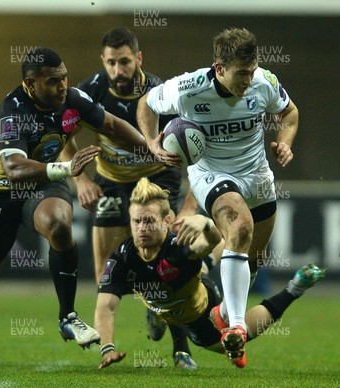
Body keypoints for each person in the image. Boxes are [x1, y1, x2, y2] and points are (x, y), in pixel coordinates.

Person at [0, 47, 147, 372]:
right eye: (53, 81)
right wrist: (66, 170)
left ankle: (68, 316)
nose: (63, 85)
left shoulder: (72, 100)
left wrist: (149, 147)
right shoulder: (12, 110)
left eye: (64, 77)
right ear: (31, 84)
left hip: (42, 186)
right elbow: (14, 169)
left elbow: (111, 125)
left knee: (60, 224)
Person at [136, 27, 299, 365]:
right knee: (239, 227)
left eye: (251, 71)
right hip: (212, 175)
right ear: (220, 68)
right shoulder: (187, 89)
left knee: (255, 258)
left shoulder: (263, 82)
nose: (248, 79)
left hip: (257, 176)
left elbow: (290, 113)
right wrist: (152, 143)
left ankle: (225, 312)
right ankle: (236, 326)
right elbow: (146, 104)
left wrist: (285, 142)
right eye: (242, 73)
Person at [65, 26, 196, 369]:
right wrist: (80, 181)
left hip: (156, 178)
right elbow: (63, 134)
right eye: (111, 63)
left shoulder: (161, 94)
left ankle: (182, 349)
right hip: (111, 182)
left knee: (170, 263)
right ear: (103, 61)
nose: (118, 71)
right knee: (105, 271)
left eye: (124, 62)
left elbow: (186, 139)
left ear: (138, 58)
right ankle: (139, 319)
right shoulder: (90, 92)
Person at [94, 178, 324, 369]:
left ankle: (294, 288)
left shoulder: (179, 247)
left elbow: (210, 240)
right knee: (174, 278)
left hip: (201, 314)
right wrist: (107, 349)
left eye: (149, 220)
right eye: (137, 221)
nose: (142, 227)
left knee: (228, 339)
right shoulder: (122, 256)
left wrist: (206, 223)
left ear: (167, 221)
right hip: (176, 291)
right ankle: (160, 314)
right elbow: (106, 306)